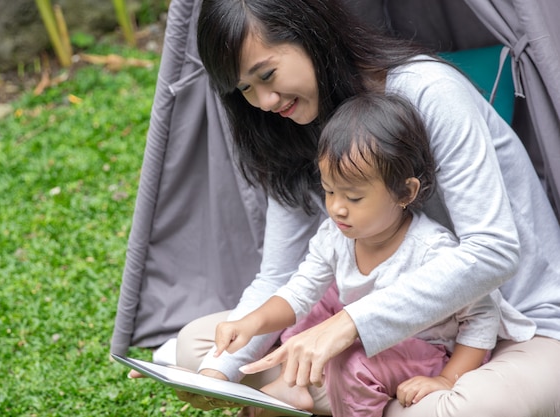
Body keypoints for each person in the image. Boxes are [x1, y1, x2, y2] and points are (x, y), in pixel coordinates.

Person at [169, 0, 560, 415]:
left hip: (519, 328)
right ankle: (362, 397)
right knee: (198, 347)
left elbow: (492, 252)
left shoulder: (428, 91)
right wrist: (218, 373)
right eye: (245, 88)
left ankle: (353, 397)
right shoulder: (291, 122)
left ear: (311, 34)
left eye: (267, 75)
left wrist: (349, 324)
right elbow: (280, 276)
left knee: (451, 411)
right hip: (400, 342)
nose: (264, 100)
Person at [212, 92, 535, 416]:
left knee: (349, 366)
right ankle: (290, 385)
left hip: (430, 349)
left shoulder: (430, 250)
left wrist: (448, 379)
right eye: (329, 190)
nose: (337, 207)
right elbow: (299, 292)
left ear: (405, 192)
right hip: (366, 332)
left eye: (353, 197)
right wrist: (251, 322)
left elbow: (482, 315)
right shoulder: (334, 236)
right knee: (313, 309)